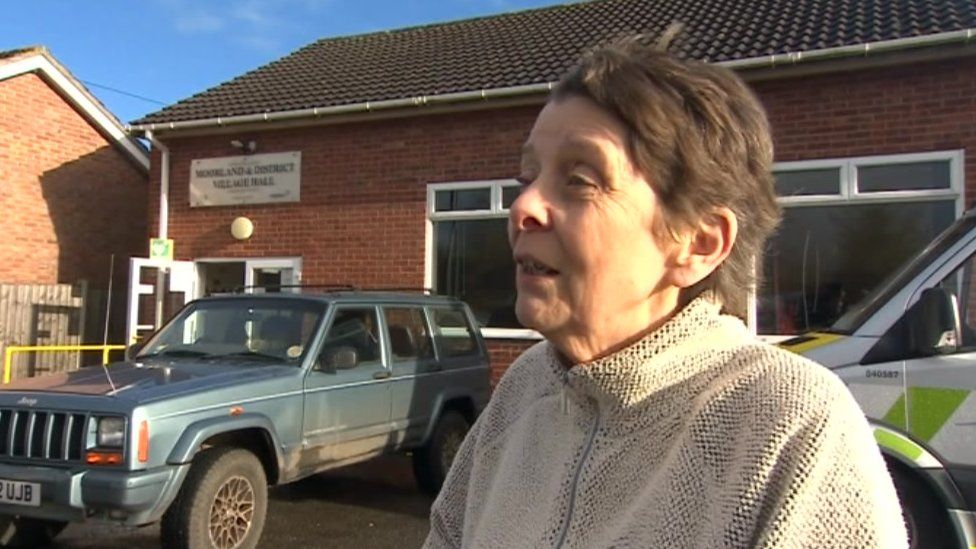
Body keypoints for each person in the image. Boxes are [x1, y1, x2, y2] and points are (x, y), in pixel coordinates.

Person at [424, 32, 907, 548]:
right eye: (528, 176)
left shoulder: (788, 421)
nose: (523, 208)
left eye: (580, 180)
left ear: (698, 242)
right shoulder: (524, 390)